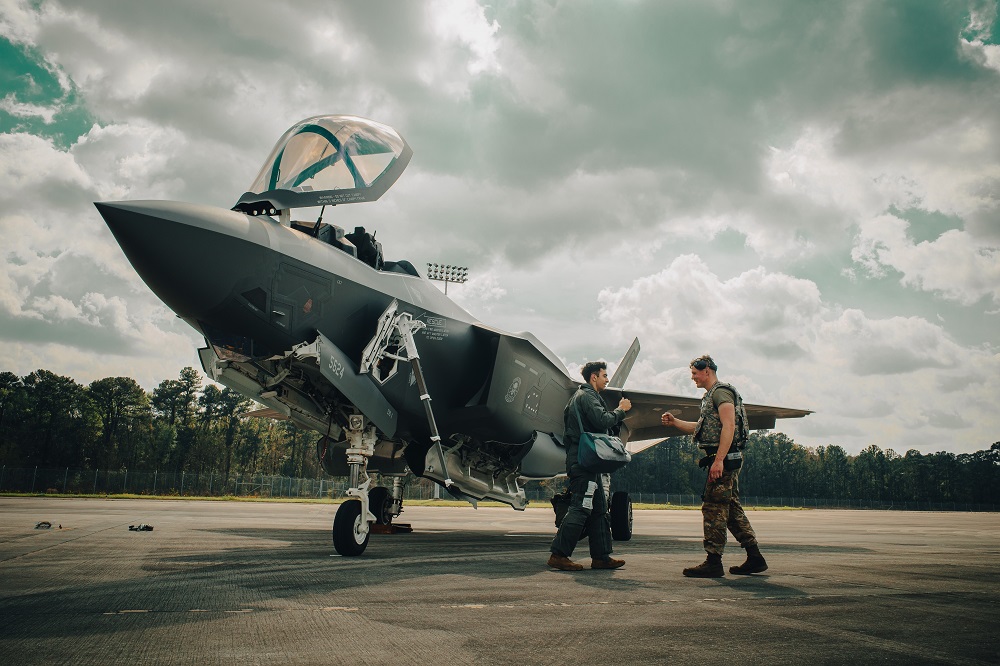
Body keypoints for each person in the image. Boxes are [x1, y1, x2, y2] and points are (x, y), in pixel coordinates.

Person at [660, 355, 768, 577]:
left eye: (694, 374)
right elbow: (700, 429)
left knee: (713, 508)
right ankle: (755, 557)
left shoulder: (721, 393)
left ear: (706, 370)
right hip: (722, 457)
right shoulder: (711, 396)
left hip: (724, 459)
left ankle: (713, 561)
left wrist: (718, 460)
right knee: (730, 510)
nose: (693, 378)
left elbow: (728, 426)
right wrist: (675, 422)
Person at [548, 361, 632, 571]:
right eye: (604, 375)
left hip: (588, 464)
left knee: (600, 510)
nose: (607, 379)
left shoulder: (584, 397)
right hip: (583, 463)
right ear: (593, 377)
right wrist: (621, 411)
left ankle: (601, 557)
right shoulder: (586, 397)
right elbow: (602, 420)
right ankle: (559, 555)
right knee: (581, 507)